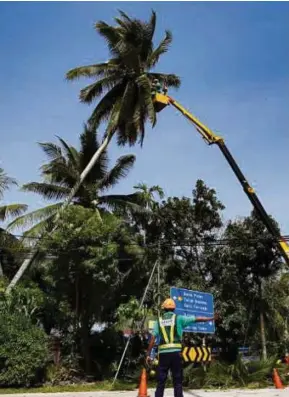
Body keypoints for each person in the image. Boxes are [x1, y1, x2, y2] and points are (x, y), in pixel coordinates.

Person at [146, 298, 218, 397]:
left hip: (163, 354)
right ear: (174, 309)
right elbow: (197, 319)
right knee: (177, 380)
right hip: (176, 354)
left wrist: (148, 354)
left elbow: (152, 339)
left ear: (164, 309)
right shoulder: (179, 318)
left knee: (161, 380)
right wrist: (211, 318)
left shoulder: (159, 321)